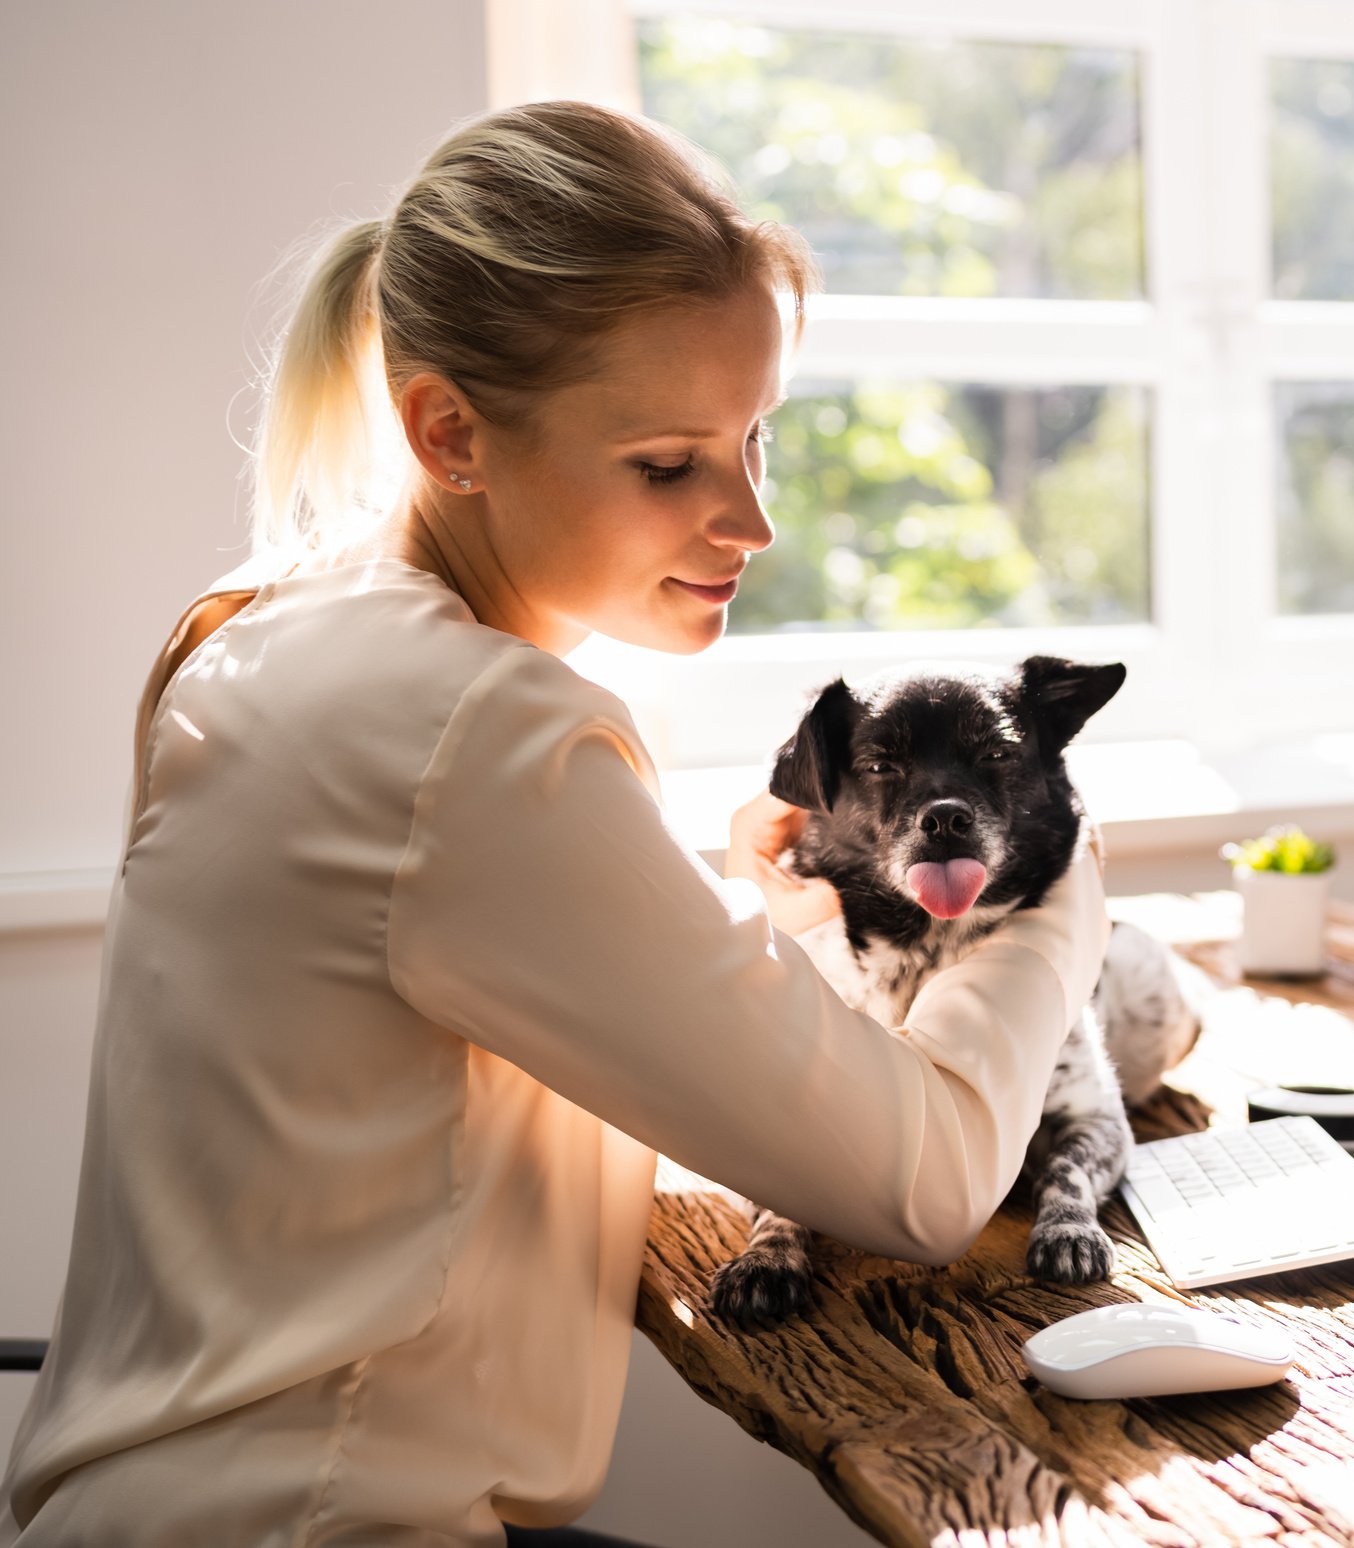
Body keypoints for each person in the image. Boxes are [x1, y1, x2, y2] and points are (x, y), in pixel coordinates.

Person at [2, 100, 1109, 1545]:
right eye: (669, 464)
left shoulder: (267, 626)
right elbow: (937, 1176)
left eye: (754, 440)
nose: (751, 521)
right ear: (450, 432)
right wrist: (1056, 872)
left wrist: (727, 913)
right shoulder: (475, 734)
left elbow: (439, 997)